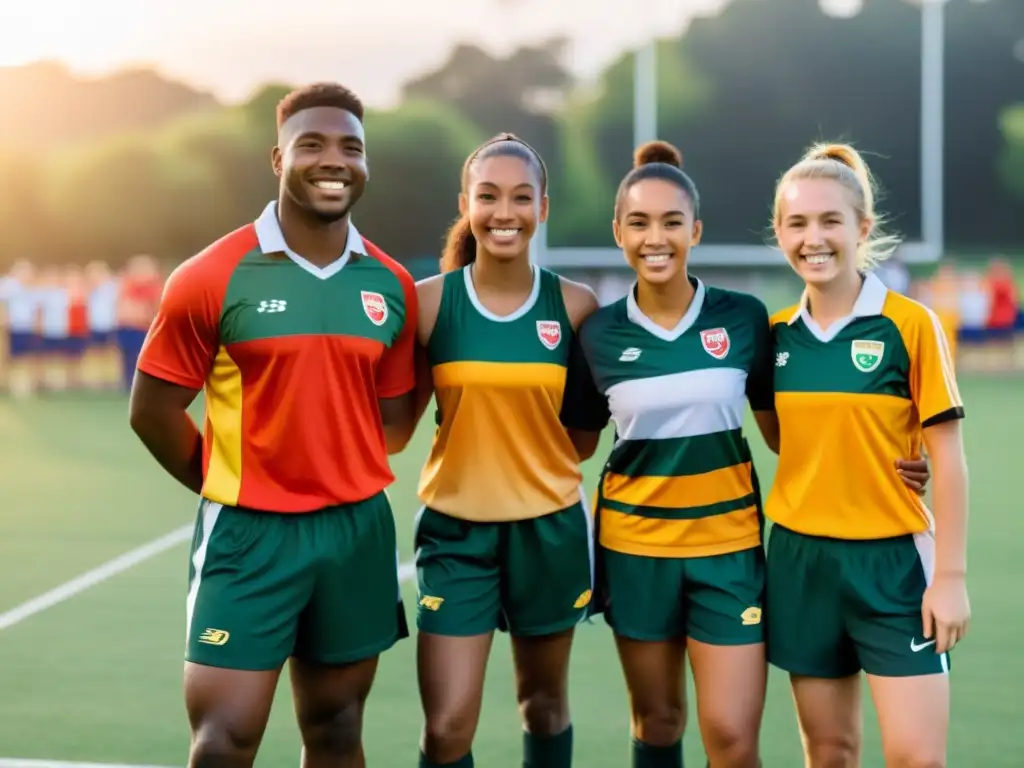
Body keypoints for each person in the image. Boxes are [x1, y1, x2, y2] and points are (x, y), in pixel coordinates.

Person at [559, 141, 933, 768]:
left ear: (696, 230)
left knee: (731, 738)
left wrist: (896, 456)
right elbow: (576, 444)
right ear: (618, 231)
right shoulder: (598, 333)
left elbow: (791, 430)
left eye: (672, 222)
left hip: (730, 554)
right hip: (634, 552)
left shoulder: (745, 321)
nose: (657, 237)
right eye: (640, 223)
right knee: (657, 723)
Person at [129, 82, 417, 768]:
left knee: (339, 730)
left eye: (352, 147)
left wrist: (335, 458)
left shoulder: (391, 283)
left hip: (354, 532)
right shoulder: (211, 275)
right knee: (225, 740)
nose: (333, 160)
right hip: (248, 534)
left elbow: (396, 419)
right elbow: (153, 410)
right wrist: (227, 478)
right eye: (311, 144)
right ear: (277, 159)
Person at [765, 143, 969, 767]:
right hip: (802, 560)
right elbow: (785, 439)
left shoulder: (909, 324)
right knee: (830, 753)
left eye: (831, 220)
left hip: (893, 567)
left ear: (862, 228)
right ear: (779, 233)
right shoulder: (773, 336)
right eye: (797, 223)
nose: (814, 238)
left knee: (916, 758)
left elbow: (950, 458)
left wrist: (951, 580)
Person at [411, 133, 600, 768]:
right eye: (488, 196)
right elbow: (394, 424)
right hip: (455, 534)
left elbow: (584, 438)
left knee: (543, 705)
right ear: (465, 203)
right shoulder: (430, 303)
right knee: (446, 729)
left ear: (542, 208)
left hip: (549, 533)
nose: (504, 212)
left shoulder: (575, 307)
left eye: (522, 197)